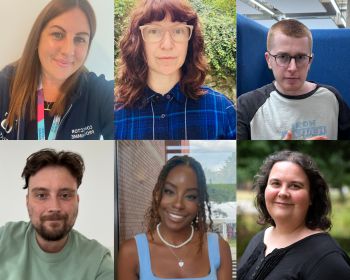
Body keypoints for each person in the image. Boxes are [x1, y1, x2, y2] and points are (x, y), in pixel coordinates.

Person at [114, 0, 236, 140]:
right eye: (154, 31)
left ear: (189, 42)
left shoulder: (221, 110)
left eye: (178, 31)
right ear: (138, 41)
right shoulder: (114, 114)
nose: (167, 45)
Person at [0, 0, 113, 140]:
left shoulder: (99, 93)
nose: (68, 50)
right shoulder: (4, 84)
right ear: (37, 37)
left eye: (79, 39)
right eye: (58, 34)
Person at [0, 149, 114, 279]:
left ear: (77, 200)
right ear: (27, 201)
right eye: (41, 195)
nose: (54, 207)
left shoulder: (99, 263)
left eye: (65, 195)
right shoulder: (3, 239)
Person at [238, 150, 350, 279]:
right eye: (276, 183)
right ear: (264, 191)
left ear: (311, 196)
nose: (283, 193)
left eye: (295, 186)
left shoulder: (328, 260)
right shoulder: (258, 239)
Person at [117, 155, 232, 279]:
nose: (178, 204)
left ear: (199, 203)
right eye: (169, 191)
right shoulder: (131, 252)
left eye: (190, 196)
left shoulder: (219, 249)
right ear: (157, 194)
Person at [237, 19, 350, 140]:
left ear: (310, 61)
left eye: (300, 57)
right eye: (283, 57)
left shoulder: (332, 97)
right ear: (269, 60)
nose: (292, 68)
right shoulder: (246, 105)